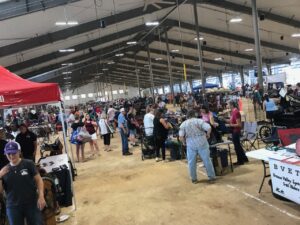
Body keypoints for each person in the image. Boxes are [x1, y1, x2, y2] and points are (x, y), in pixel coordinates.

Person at [0, 141, 46, 225]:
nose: (11, 156)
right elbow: (0, 191)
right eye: (8, 153)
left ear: (19, 152)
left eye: (14, 153)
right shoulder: (3, 171)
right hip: (13, 206)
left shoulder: (28, 164)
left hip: (31, 203)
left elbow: (39, 180)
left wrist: (41, 196)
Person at [179, 110, 216, 183]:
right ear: (194, 115)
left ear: (187, 116)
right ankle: (211, 177)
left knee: (191, 162)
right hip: (202, 142)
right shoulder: (199, 121)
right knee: (207, 160)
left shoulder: (183, 124)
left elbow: (181, 136)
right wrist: (208, 134)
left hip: (190, 144)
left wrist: (183, 142)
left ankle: (194, 179)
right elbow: (209, 128)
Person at [226, 101, 248, 165]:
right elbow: (232, 121)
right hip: (234, 131)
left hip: (236, 131)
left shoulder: (236, 112)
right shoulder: (233, 112)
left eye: (228, 104)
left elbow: (239, 124)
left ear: (232, 105)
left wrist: (230, 125)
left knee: (237, 146)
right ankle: (244, 158)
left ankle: (240, 161)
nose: (227, 106)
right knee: (238, 145)